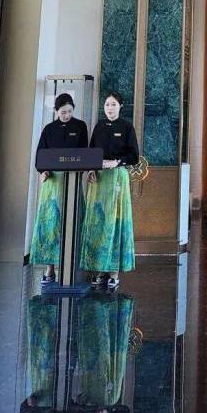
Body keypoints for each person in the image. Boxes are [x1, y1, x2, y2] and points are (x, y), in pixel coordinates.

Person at [80, 92, 138, 290]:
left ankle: (114, 272)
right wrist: (91, 169)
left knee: (115, 223)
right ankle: (100, 270)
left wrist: (117, 162)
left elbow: (134, 156)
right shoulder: (99, 127)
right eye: (107, 104)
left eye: (113, 104)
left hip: (117, 178)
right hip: (99, 179)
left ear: (121, 106)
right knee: (99, 223)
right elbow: (91, 151)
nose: (110, 108)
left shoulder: (127, 127)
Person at [30, 93, 89, 285]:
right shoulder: (49, 129)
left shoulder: (80, 126)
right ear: (56, 111)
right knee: (51, 224)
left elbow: (84, 153)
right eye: (63, 112)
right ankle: (50, 269)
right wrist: (43, 171)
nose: (67, 115)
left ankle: (73, 267)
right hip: (53, 182)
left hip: (72, 180)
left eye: (70, 111)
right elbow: (41, 155)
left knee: (74, 220)